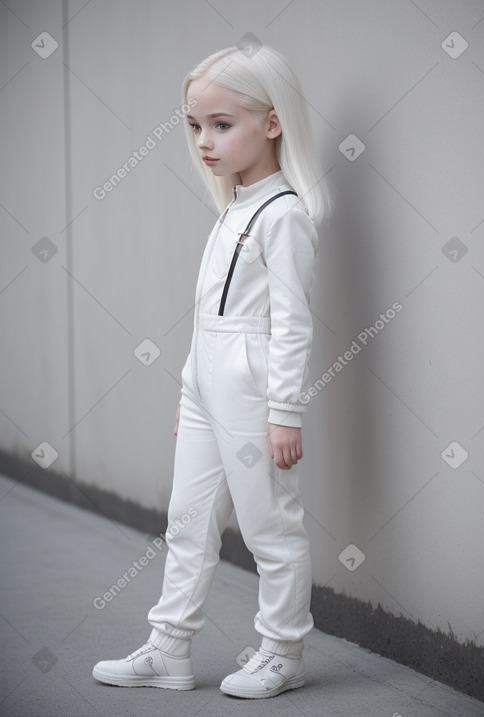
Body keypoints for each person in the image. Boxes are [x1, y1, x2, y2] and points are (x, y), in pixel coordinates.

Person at [93, 42, 330, 700]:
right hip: (208, 381)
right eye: (195, 125)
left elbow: (291, 323)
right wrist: (190, 387)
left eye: (222, 125)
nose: (204, 140)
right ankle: (170, 646)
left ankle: (283, 651)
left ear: (273, 123)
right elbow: (208, 314)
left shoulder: (283, 216)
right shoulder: (232, 208)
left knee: (269, 526)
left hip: (253, 385)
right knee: (188, 519)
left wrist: (284, 409)